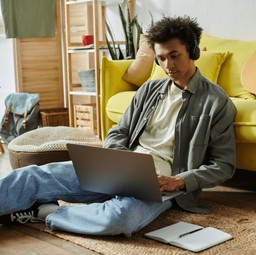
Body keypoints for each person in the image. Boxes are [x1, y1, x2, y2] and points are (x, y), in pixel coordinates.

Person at [0, 16, 237, 237]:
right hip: (119, 168)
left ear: (192, 51)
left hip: (161, 181)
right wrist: (117, 157)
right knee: (30, 175)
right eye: (162, 58)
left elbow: (223, 165)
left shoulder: (216, 101)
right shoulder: (148, 90)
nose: (168, 65)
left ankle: (44, 213)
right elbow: (119, 131)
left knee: (119, 219)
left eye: (174, 55)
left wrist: (180, 181)